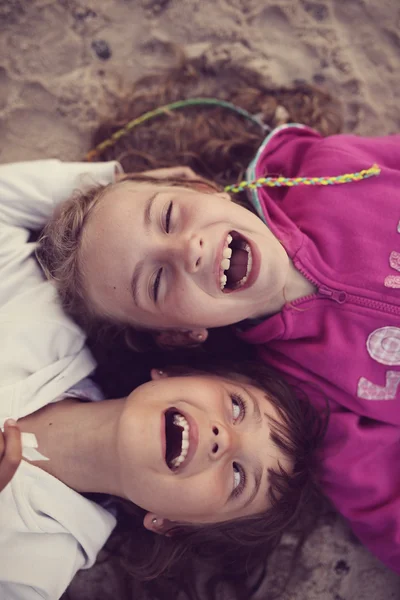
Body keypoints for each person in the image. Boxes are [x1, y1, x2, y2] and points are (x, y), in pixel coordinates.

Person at [36, 57, 400, 575]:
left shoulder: (332, 168)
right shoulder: (303, 396)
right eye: (157, 282)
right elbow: (384, 506)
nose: (188, 250)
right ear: (184, 333)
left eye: (167, 216)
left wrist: (101, 179)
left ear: (202, 189)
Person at [0, 160, 323, 600]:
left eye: (236, 481)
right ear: (175, 373)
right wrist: (123, 188)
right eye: (236, 407)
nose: (222, 439)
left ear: (168, 522)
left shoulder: (36, 567)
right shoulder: (43, 319)